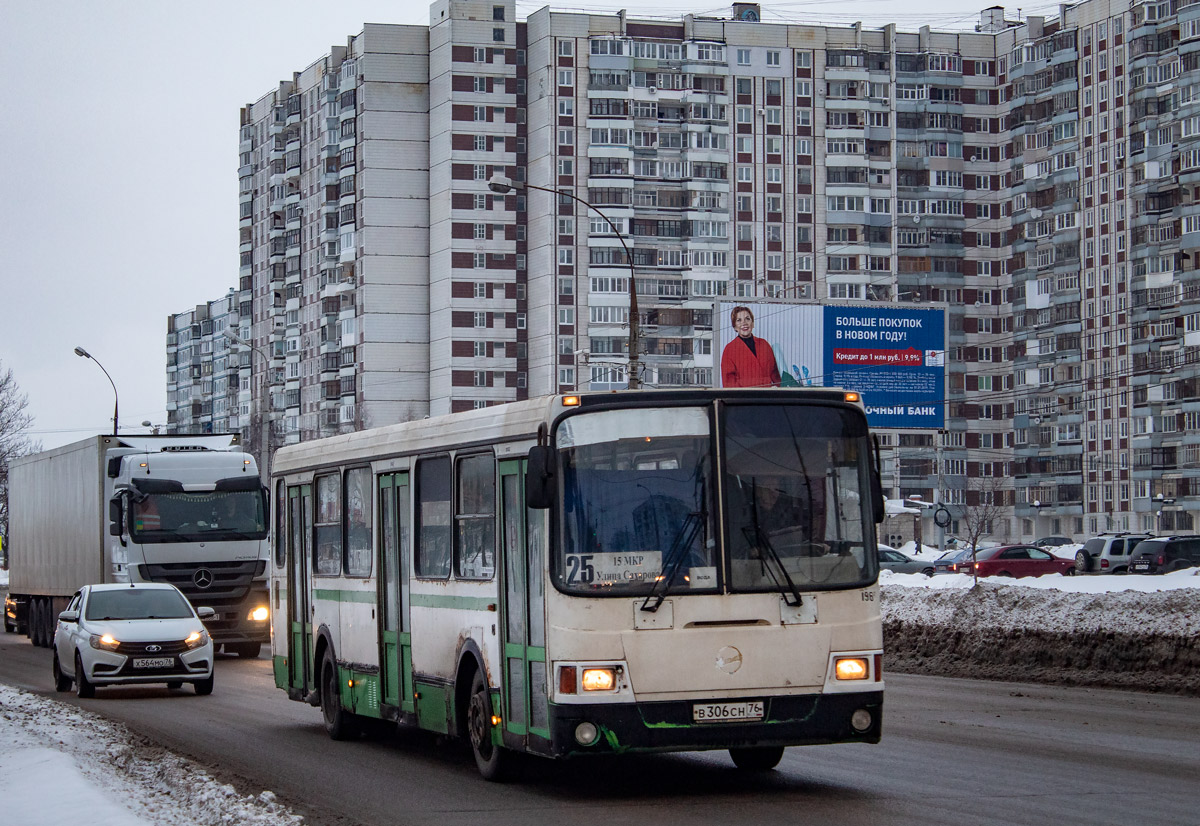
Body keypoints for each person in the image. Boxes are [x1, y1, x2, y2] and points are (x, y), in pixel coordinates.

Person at [721, 305, 781, 388]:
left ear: (752, 323)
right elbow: (729, 384)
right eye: (739, 320)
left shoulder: (764, 345)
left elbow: (776, 376)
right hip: (744, 398)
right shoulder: (730, 349)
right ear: (734, 326)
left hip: (768, 397)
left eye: (747, 319)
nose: (744, 323)